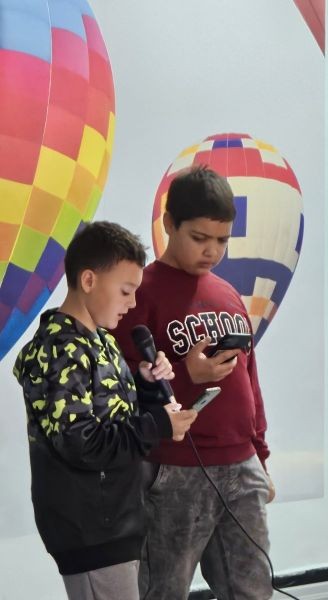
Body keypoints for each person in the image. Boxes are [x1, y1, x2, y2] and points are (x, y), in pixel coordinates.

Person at [114, 165, 275, 600]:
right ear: (169, 224)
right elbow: (118, 383)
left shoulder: (228, 293)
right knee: (164, 591)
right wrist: (187, 374)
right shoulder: (138, 293)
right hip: (175, 468)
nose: (212, 251)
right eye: (200, 238)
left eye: (222, 240)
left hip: (242, 464)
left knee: (254, 590)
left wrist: (260, 456)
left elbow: (250, 380)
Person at [13, 221, 198, 600]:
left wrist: (146, 385)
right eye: (126, 291)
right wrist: (158, 425)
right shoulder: (60, 350)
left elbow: (113, 416)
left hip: (115, 521)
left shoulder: (101, 342)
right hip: (91, 529)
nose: (132, 303)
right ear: (89, 280)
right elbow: (82, 444)